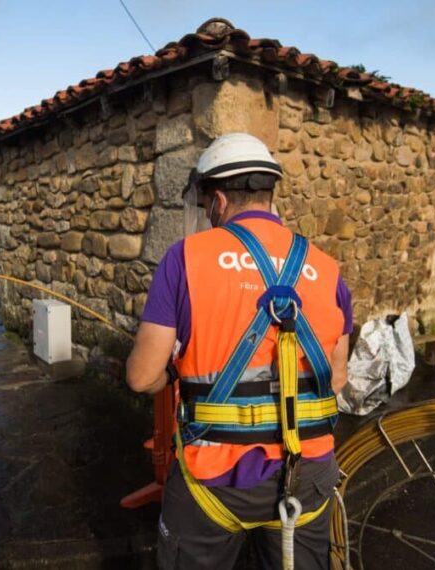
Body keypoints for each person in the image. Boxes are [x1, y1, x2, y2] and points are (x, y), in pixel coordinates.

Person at [126, 133, 353, 569]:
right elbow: (336, 377)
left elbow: (141, 376)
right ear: (269, 193)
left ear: (218, 200)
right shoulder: (327, 269)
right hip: (308, 473)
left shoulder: (185, 258)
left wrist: (173, 373)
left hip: (216, 477)